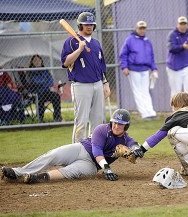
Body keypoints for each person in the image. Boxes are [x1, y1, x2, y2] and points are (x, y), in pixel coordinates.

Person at [1, 109, 138, 184]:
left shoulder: (125, 139)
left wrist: (137, 149)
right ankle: (17, 172)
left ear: (126, 126)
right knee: (53, 155)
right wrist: (107, 168)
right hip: (80, 149)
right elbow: (96, 151)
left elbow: (134, 145)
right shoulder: (101, 129)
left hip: (91, 166)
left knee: (68, 172)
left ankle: (34, 178)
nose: (116, 125)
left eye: (120, 124)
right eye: (114, 122)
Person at [61, 12, 110, 143]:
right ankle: (76, 151)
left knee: (98, 120)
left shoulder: (96, 43)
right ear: (80, 25)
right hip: (81, 85)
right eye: (86, 24)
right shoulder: (71, 42)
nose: (89, 27)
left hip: (98, 84)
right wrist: (79, 50)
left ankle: (94, 149)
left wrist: (105, 83)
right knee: (81, 121)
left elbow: (101, 66)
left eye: (91, 24)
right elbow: (66, 63)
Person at [119, 20, 158, 120]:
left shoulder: (147, 41)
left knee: (145, 91)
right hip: (133, 69)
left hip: (145, 69)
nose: (142, 30)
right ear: (136, 28)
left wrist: (154, 69)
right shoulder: (130, 39)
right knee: (138, 92)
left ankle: (151, 112)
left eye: (143, 28)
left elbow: (151, 56)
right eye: (140, 28)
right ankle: (144, 113)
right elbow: (123, 54)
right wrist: (124, 67)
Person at [28, 54, 62, 122]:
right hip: (36, 93)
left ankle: (57, 117)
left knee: (56, 96)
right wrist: (44, 83)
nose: (37, 62)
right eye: (35, 61)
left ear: (41, 61)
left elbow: (51, 81)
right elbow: (34, 82)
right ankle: (40, 119)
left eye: (38, 60)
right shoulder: (30, 72)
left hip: (46, 92)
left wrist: (43, 84)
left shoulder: (45, 71)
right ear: (32, 63)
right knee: (40, 99)